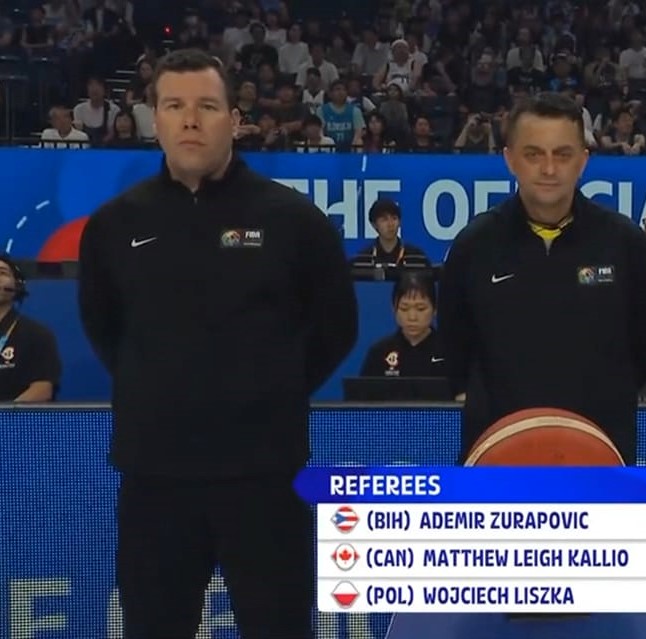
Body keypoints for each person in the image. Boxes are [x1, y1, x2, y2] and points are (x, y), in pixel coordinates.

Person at [76, 49, 358, 639]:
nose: (190, 120)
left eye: (206, 106)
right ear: (154, 118)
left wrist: (268, 390)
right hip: (156, 480)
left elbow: (335, 328)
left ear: (234, 119)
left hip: (265, 478)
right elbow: (105, 329)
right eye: (174, 106)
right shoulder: (113, 226)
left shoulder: (294, 220)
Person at [439, 92, 646, 466]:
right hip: (498, 457)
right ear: (510, 159)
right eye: (533, 154)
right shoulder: (474, 245)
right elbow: (455, 347)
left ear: (583, 160)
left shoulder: (625, 244)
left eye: (562, 155)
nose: (549, 169)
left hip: (600, 455)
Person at [0, 255, 62, 402]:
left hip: (14, 415)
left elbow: (42, 389)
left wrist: (7, 414)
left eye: (2, 273)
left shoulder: (36, 334)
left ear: (17, 285)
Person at [360, 273, 445, 377]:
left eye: (421, 309)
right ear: (394, 308)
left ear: (435, 309)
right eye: (404, 309)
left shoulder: (449, 352)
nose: (412, 317)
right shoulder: (379, 352)